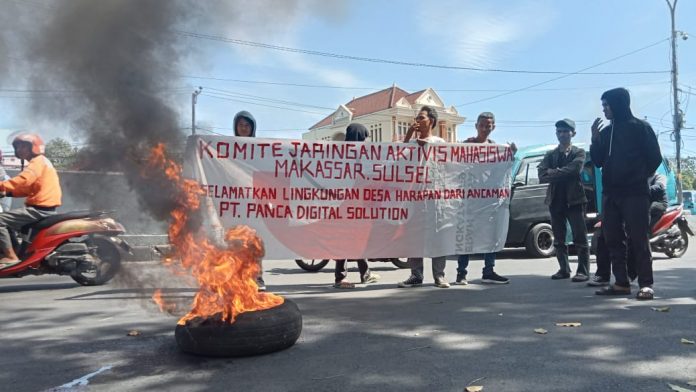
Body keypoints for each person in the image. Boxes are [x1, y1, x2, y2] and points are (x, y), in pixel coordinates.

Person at [590, 88, 662, 300]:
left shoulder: (641, 128)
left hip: (635, 193)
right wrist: (595, 140)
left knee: (639, 238)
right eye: (602, 106)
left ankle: (646, 284)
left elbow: (654, 158)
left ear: (619, 104)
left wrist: (638, 176)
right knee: (612, 238)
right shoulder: (605, 133)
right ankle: (621, 283)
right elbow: (598, 161)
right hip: (611, 194)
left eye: (606, 105)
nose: (604, 110)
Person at [455, 112, 514, 285]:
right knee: (467, 236)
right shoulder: (466, 146)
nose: (484, 128)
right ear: (476, 126)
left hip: (488, 201)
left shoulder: (496, 148)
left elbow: (500, 172)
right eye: (482, 125)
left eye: (488, 126)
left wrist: (510, 155)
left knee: (490, 235)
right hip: (469, 200)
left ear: (493, 127)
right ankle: (461, 273)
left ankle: (489, 271)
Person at [398, 106, 450, 288]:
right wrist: (410, 135)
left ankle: (439, 276)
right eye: (416, 118)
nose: (417, 121)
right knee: (414, 237)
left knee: (438, 236)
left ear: (431, 121)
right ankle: (416, 275)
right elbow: (398, 158)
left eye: (421, 118)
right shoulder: (411, 145)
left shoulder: (440, 142)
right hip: (415, 198)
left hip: (435, 198)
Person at [538, 118, 590, 282]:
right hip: (555, 200)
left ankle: (583, 271)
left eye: (565, 131)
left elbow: (574, 170)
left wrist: (554, 173)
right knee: (559, 239)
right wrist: (559, 173)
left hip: (574, 200)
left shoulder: (579, 152)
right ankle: (564, 269)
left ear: (572, 133)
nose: (562, 134)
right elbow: (541, 174)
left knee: (579, 237)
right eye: (559, 131)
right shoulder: (551, 154)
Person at [0, 133, 61, 269]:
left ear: (34, 147)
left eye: (24, 147)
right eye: (18, 147)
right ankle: (15, 252)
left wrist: (2, 186)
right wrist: (7, 193)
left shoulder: (38, 162)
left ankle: (11, 257)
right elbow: (27, 189)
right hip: (41, 208)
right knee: (8, 223)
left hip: (39, 210)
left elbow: (23, 180)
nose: (20, 150)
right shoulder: (40, 163)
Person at [333, 123, 380, 289]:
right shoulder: (357, 156)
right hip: (351, 205)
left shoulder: (341, 155)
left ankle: (364, 273)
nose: (367, 140)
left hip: (351, 205)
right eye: (365, 136)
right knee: (348, 240)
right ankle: (341, 277)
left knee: (355, 240)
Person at [233, 110, 267, 291]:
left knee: (255, 244)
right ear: (236, 127)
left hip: (255, 204)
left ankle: (258, 277)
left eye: (247, 125)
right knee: (237, 245)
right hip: (234, 204)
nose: (244, 128)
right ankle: (239, 280)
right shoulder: (226, 147)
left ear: (252, 127)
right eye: (241, 125)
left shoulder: (260, 148)